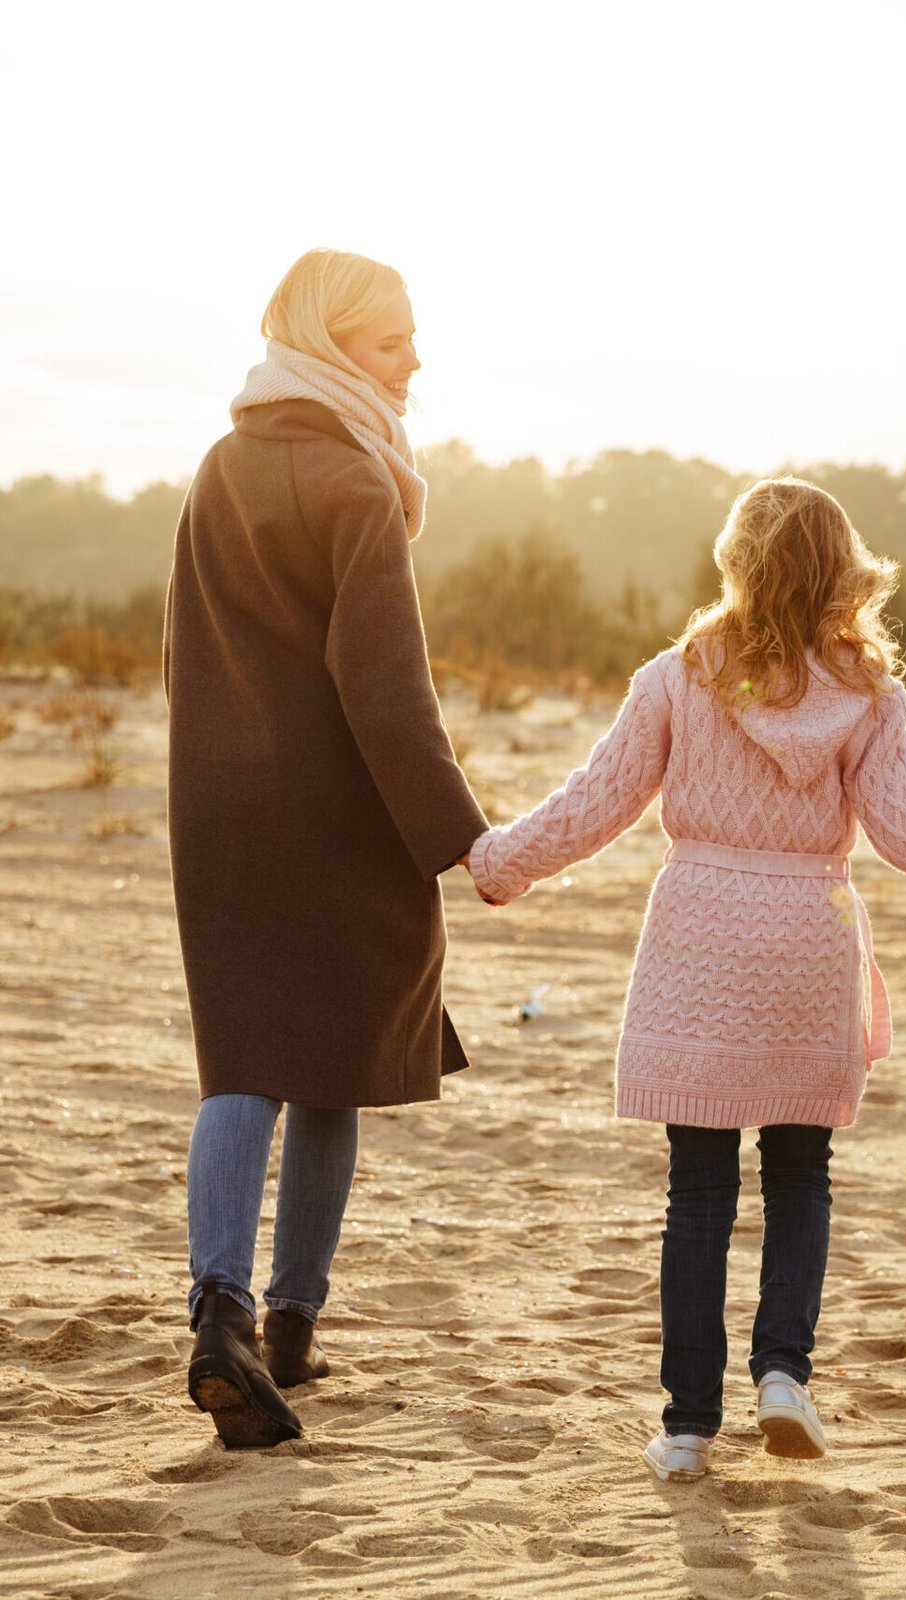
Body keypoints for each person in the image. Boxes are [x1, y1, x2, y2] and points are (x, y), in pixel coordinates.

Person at [465, 477, 906, 1482]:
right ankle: (783, 1375)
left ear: (737, 561)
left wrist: (501, 862)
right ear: (842, 571)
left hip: (701, 939)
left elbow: (598, 803)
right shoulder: (868, 692)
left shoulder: (679, 676)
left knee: (699, 1186)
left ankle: (684, 1425)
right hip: (809, 935)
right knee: (800, 1172)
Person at [165, 250, 487, 1448]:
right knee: (336, 1059)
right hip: (338, 820)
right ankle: (290, 1320)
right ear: (334, 345)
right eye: (393, 340)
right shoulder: (355, 480)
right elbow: (388, 695)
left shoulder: (218, 467)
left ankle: (224, 1314)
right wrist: (458, 837)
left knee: (244, 1056)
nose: (414, 362)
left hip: (220, 812)